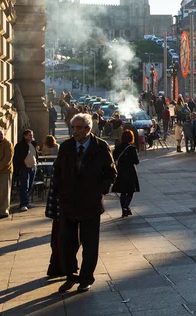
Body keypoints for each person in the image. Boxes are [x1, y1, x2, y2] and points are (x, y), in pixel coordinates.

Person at [55, 113, 117, 293]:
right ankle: (70, 276)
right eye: (73, 127)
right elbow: (58, 171)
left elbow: (111, 173)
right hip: (68, 202)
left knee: (90, 243)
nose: (75, 131)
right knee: (67, 243)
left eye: (79, 128)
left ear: (88, 129)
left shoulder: (100, 147)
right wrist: (61, 191)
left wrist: (101, 190)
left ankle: (86, 277)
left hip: (90, 203)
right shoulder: (66, 147)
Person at [112, 130, 140, 218]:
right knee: (131, 191)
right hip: (131, 171)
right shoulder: (132, 148)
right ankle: (126, 206)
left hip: (120, 171)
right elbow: (136, 161)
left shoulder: (117, 148)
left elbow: (113, 159)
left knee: (123, 192)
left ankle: (124, 208)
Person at [13, 129, 39, 211]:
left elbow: (35, 154)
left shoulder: (33, 144)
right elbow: (17, 158)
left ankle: (26, 201)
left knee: (30, 185)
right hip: (25, 168)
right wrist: (21, 166)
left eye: (32, 135)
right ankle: (23, 204)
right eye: (30, 135)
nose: (32, 137)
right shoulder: (20, 145)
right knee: (24, 186)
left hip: (33, 167)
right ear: (25, 136)